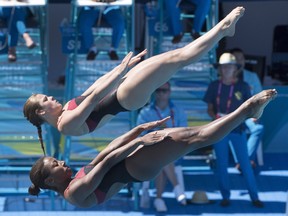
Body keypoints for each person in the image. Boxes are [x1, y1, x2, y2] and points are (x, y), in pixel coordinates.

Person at [23, 7, 246, 154]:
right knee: (179, 58)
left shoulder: (64, 113)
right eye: (46, 99)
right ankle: (222, 30)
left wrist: (121, 69)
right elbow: (93, 98)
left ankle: (223, 32)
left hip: (122, 87)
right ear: (42, 112)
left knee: (176, 57)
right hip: (125, 97)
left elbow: (94, 87)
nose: (51, 97)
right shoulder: (65, 125)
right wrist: (120, 72)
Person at [28, 89, 277, 208]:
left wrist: (137, 131)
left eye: (57, 160)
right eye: (56, 165)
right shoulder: (73, 194)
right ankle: (247, 109)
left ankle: (246, 111)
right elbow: (104, 166)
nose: (62, 162)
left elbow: (103, 155)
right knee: (196, 138)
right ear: (50, 181)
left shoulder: (71, 180)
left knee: (194, 136)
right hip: (135, 167)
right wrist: (139, 142)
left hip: (130, 162)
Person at [203, 53, 263, 208]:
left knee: (245, 165)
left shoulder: (242, 86)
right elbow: (209, 109)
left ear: (235, 69)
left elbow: (250, 108)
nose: (227, 69)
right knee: (221, 165)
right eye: (224, 66)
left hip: (238, 130)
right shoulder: (214, 86)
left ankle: (254, 197)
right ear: (220, 69)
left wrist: (252, 117)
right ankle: (225, 196)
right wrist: (216, 116)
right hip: (219, 130)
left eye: (230, 66)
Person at [137, 82, 187, 212]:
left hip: (173, 150)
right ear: (154, 92)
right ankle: (176, 188)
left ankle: (159, 199)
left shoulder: (178, 111)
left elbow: (185, 132)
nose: (161, 93)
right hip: (151, 151)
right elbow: (139, 136)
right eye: (158, 90)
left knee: (162, 158)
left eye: (164, 90)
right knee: (161, 156)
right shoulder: (145, 112)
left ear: (169, 92)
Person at [230, 48, 264, 171]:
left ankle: (243, 161)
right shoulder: (226, 77)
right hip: (232, 116)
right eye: (236, 59)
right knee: (232, 129)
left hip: (249, 115)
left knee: (258, 128)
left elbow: (261, 97)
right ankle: (245, 162)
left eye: (241, 58)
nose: (239, 61)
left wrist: (256, 114)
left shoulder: (252, 76)